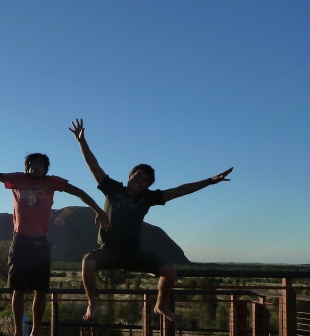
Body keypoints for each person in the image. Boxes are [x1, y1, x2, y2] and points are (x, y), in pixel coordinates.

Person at [69, 118, 233, 323]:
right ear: (129, 176)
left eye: (145, 180)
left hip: (134, 252)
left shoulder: (148, 198)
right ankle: (93, 303)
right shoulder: (112, 189)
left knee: (169, 270)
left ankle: (160, 306)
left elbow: (180, 190)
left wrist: (209, 181)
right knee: (87, 262)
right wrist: (81, 141)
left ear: (148, 185)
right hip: (108, 250)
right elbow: (94, 166)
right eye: (137, 177)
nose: (140, 181)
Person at [0, 153, 109, 336]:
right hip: (21, 242)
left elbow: (80, 192)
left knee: (41, 291)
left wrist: (99, 211)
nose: (36, 167)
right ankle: (17, 334)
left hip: (41, 243)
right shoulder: (16, 179)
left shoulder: (52, 182)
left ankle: (35, 333)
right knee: (19, 291)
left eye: (40, 164)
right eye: (32, 163)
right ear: (27, 167)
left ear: (46, 168)